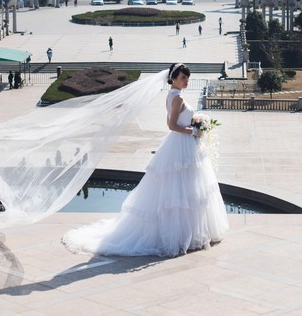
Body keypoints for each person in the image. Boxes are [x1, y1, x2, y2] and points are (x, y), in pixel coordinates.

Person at [62, 63, 228, 256]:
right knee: (184, 189)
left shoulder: (171, 95)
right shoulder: (177, 98)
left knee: (182, 189)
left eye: (187, 77)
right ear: (173, 78)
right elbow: (172, 125)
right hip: (182, 143)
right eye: (183, 77)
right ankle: (183, 235)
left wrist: (193, 125)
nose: (186, 81)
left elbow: (170, 121)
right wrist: (194, 130)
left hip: (180, 144)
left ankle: (186, 234)